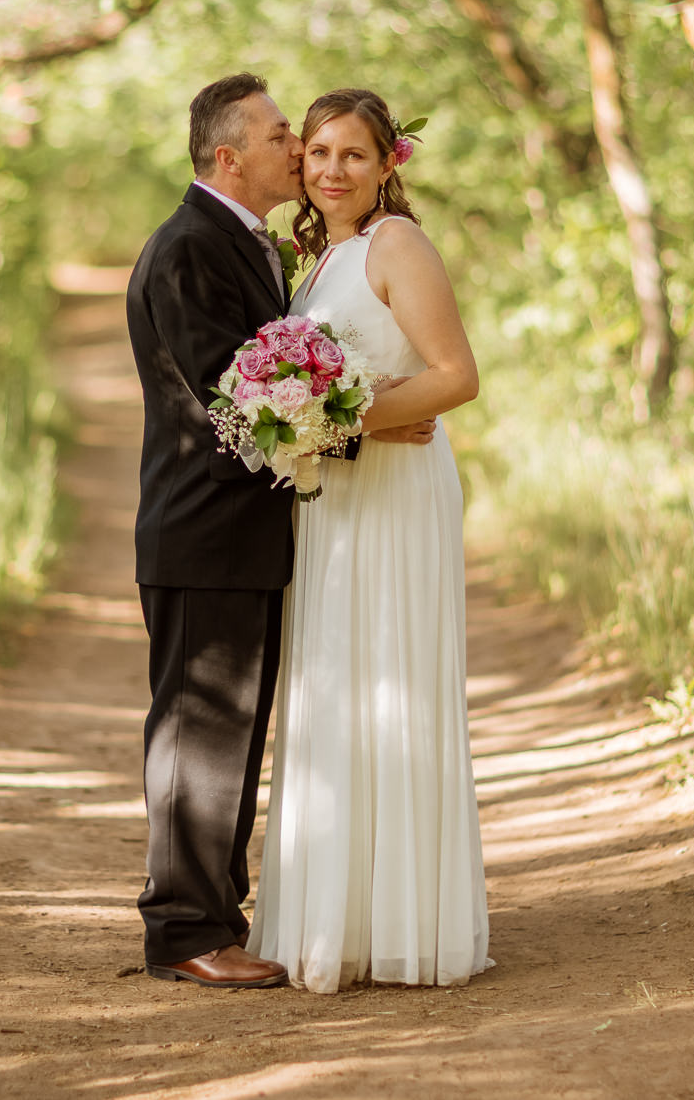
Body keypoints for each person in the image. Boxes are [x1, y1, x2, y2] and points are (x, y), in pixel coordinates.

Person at [125, 74, 434, 988]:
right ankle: (184, 932)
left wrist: (358, 418)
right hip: (203, 530)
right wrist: (362, 425)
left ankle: (219, 916)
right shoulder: (189, 247)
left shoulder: (248, 244)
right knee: (197, 740)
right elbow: (240, 396)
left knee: (232, 742)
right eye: (277, 136)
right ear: (230, 156)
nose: (296, 151)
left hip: (245, 534)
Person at [247, 87, 491, 994]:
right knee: (334, 685)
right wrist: (324, 425)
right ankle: (334, 916)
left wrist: (353, 421)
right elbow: (310, 401)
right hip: (335, 495)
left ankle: (404, 922)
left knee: (388, 678)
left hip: (394, 495)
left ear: (391, 162)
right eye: (317, 155)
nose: (332, 172)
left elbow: (456, 376)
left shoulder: (397, 244)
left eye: (353, 155)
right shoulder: (316, 260)